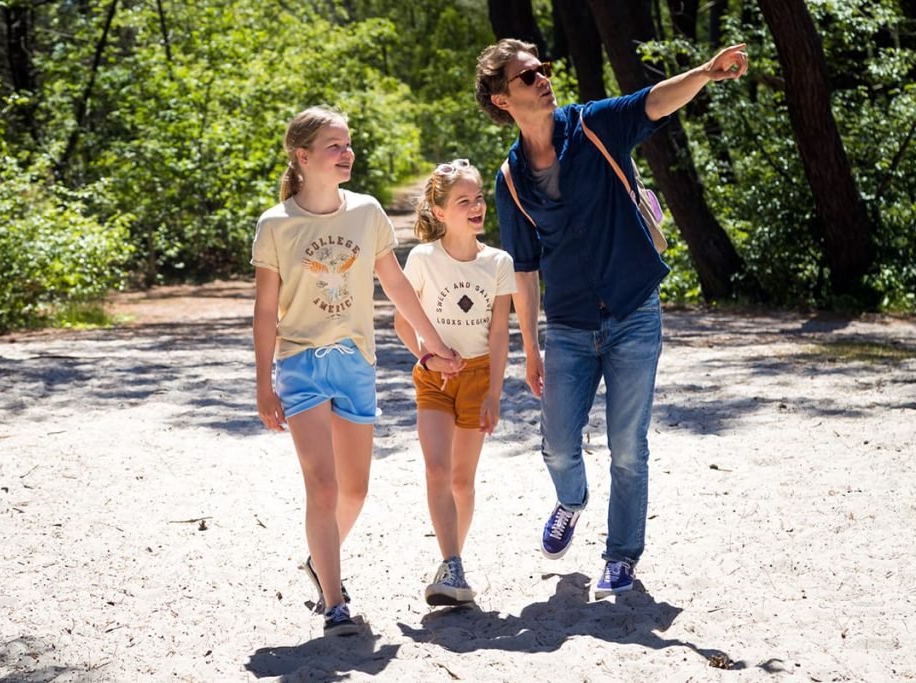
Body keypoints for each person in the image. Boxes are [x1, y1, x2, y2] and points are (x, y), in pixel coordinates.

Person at [474, 40, 748, 598]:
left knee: (628, 445)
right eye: (528, 77)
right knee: (556, 445)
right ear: (503, 99)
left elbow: (654, 101)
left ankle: (622, 555)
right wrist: (531, 350)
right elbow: (524, 271)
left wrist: (705, 72)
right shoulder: (509, 180)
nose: (543, 79)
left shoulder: (595, 126)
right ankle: (571, 501)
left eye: (544, 69)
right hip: (570, 327)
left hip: (633, 312)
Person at [252, 106, 461, 636]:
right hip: (299, 364)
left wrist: (430, 346)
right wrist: (262, 386)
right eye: (334, 146)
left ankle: (319, 561)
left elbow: (395, 285)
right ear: (302, 157)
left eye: (348, 144)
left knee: (355, 491)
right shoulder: (276, 224)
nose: (347, 154)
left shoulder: (366, 212)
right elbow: (263, 310)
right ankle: (333, 601)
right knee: (321, 487)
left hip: (356, 365)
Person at [394, 159, 515, 606]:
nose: (477, 206)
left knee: (463, 482)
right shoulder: (423, 259)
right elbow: (402, 325)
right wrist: (429, 356)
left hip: (480, 378)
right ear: (440, 211)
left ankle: (453, 562)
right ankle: (452, 564)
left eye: (479, 197)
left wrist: (496, 393)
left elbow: (501, 333)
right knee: (436, 469)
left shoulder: (499, 262)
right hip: (433, 378)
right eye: (464, 200)